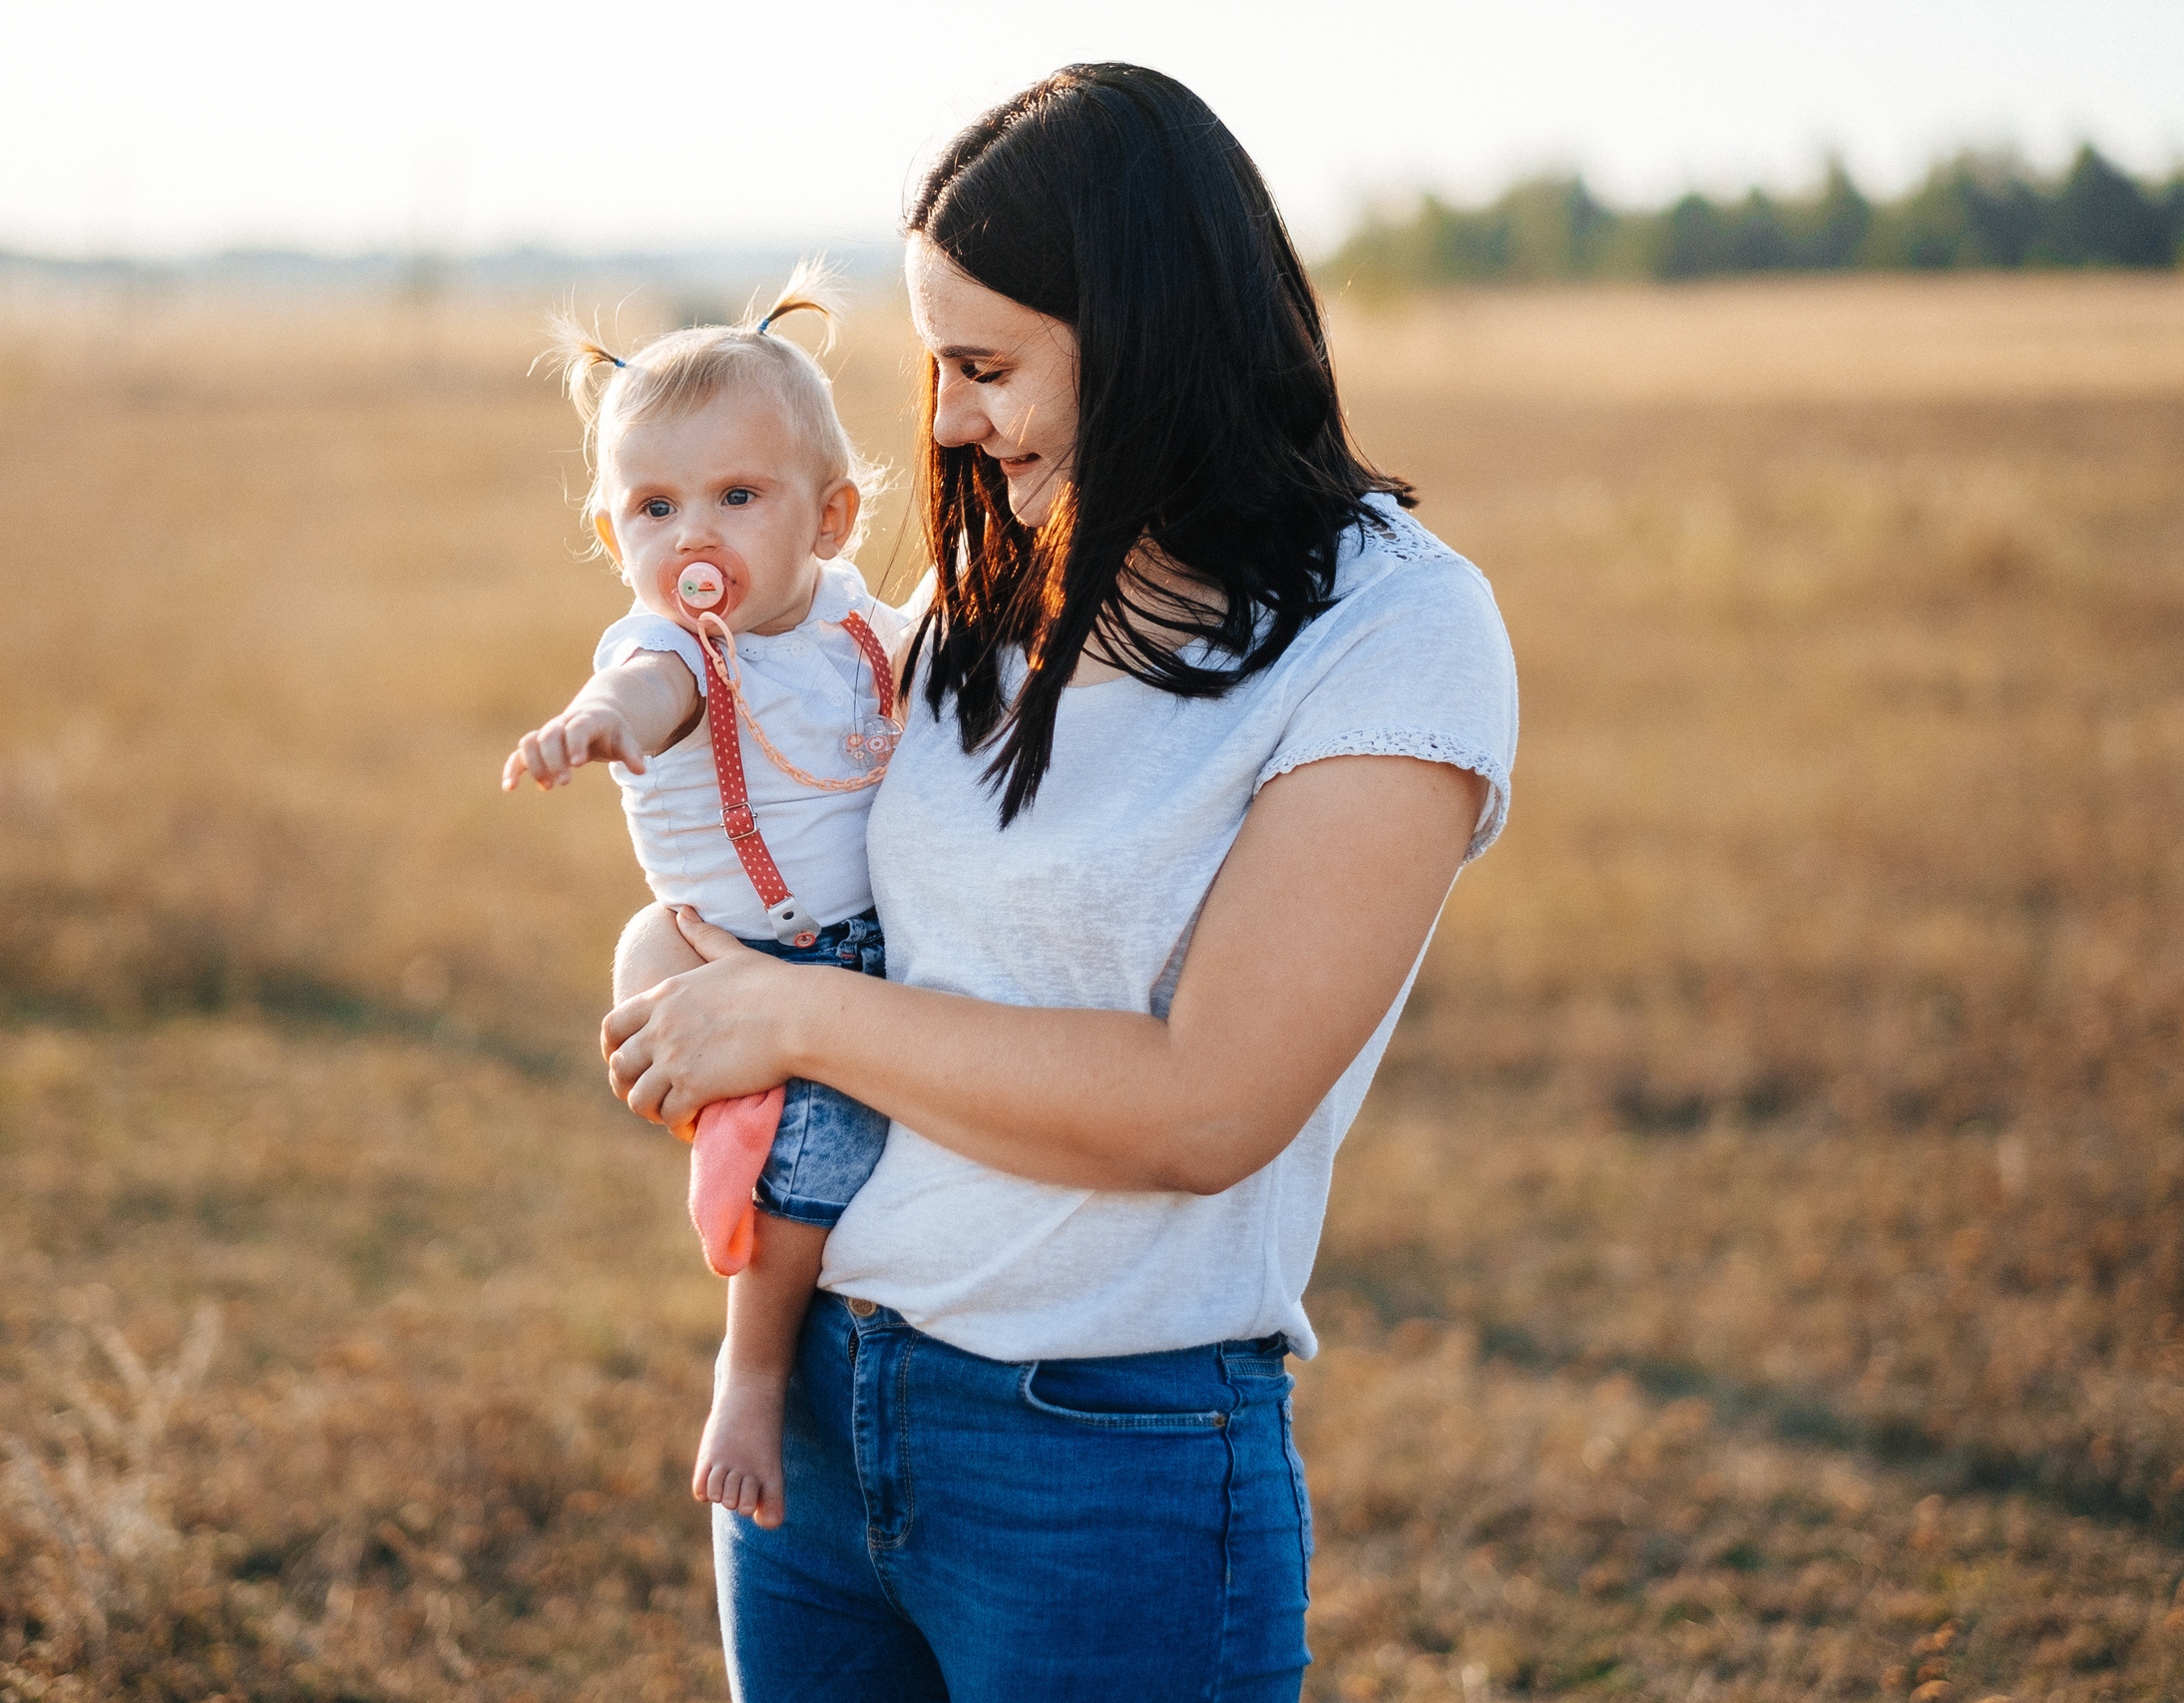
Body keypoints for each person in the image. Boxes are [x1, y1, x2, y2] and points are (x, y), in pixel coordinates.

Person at [600, 64, 1521, 1701]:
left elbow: (1202, 1109)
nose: (946, 417)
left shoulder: (1394, 634)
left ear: (1151, 335)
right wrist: (669, 974)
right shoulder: (986, 593)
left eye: (987, 365)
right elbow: (829, 908)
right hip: (816, 1411)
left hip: (1100, 1460)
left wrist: (792, 1018)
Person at [501, 270, 910, 1532]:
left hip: (858, 937)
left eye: (737, 498)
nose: (694, 538)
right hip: (749, 947)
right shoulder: (669, 645)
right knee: (815, 1153)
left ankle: (735, 1127)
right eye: (655, 506)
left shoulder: (855, 619)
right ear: (616, 532)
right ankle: (752, 1367)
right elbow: (645, 695)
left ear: (830, 519)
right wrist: (592, 728)